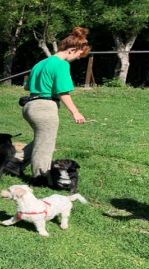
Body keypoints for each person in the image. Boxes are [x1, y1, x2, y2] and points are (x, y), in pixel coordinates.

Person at [21, 27, 89, 186]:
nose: (77, 59)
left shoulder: (41, 62)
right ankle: (41, 179)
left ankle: (11, 162)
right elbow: (63, 92)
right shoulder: (61, 64)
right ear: (72, 50)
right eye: (79, 55)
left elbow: (27, 86)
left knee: (40, 140)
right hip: (45, 108)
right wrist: (75, 112)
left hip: (30, 105)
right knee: (45, 146)